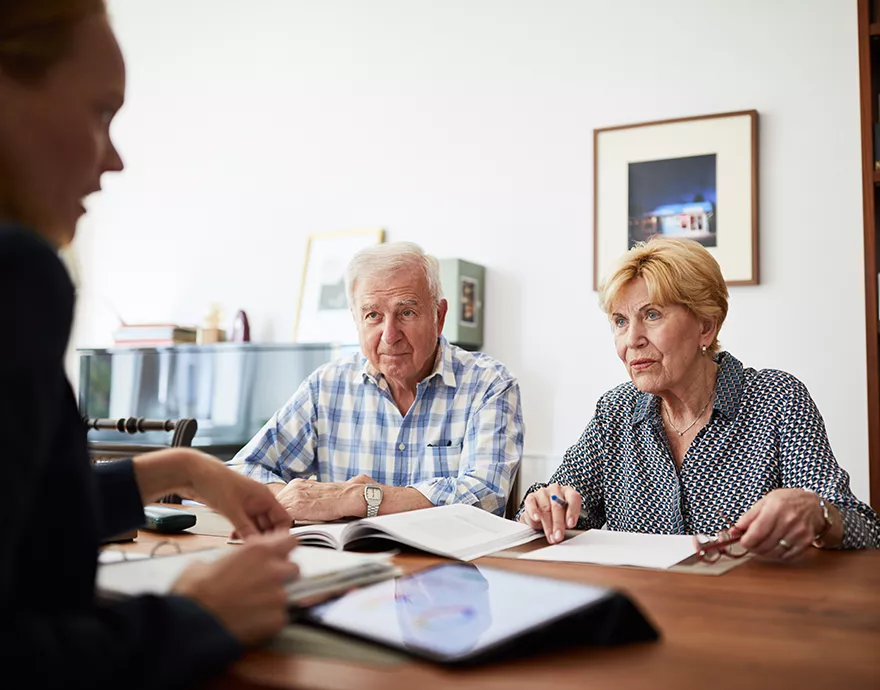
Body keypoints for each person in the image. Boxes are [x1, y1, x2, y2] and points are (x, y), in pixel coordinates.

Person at [0, 3, 300, 687]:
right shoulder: (17, 271)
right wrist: (195, 615)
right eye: (101, 113)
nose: (116, 158)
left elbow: (32, 520)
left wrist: (182, 470)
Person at [518, 237, 880, 559]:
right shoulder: (615, 411)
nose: (632, 341)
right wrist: (544, 506)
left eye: (652, 315)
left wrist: (818, 514)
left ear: (706, 326)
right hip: (638, 613)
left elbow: (865, 529)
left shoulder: (777, 400)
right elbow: (559, 500)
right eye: (620, 321)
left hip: (743, 617)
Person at [230, 242, 524, 520]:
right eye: (372, 315)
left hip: (453, 568)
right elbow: (243, 470)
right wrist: (297, 501)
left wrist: (359, 499)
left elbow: (486, 497)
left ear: (439, 315)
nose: (390, 334)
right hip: (347, 565)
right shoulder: (326, 386)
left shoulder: (489, 383)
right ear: (356, 320)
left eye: (406, 312)